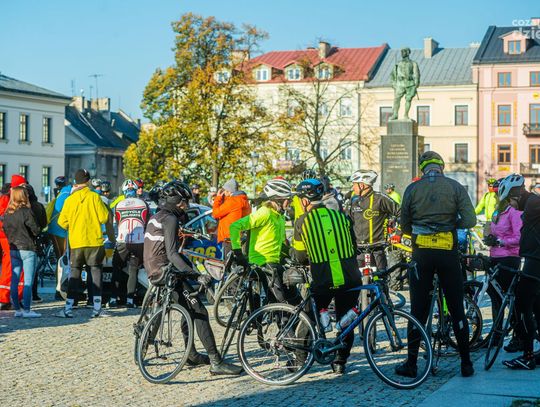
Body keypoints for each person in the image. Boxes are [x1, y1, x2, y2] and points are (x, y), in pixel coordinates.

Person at [143, 180, 242, 375]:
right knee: (199, 310)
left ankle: (191, 354)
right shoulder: (170, 219)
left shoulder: (158, 216)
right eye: (184, 202)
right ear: (175, 201)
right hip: (167, 273)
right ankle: (216, 361)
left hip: (154, 270)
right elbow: (172, 254)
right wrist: (197, 275)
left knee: (188, 307)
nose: (186, 206)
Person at [398, 151, 476, 378]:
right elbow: (470, 220)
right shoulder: (455, 187)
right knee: (456, 307)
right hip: (447, 252)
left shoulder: (412, 189)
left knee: (418, 309)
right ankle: (466, 363)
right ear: (441, 167)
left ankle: (411, 364)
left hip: (422, 253)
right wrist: (451, 223)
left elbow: (405, 225)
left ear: (422, 168)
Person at [293, 178, 361, 374]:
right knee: (346, 319)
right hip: (350, 277)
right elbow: (354, 246)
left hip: (323, 280)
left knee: (309, 316)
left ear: (304, 201)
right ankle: (340, 361)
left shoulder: (302, 222)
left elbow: (300, 256)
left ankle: (300, 360)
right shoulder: (342, 217)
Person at [230, 178, 298, 304]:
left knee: (293, 296)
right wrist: (238, 252)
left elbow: (276, 242)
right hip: (262, 262)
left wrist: (292, 252)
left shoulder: (279, 216)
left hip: (274, 261)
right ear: (278, 199)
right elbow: (234, 226)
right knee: (280, 302)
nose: (290, 202)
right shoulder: (264, 213)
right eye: (287, 199)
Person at [55, 169, 110, 318]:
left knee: (74, 274)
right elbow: (104, 218)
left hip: (77, 242)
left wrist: (73, 224)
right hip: (94, 241)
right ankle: (97, 308)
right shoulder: (95, 197)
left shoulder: (70, 200)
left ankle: (68, 308)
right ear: (88, 181)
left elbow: (62, 222)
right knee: (96, 273)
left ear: (76, 181)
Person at [501, 174, 540, 370]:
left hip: (534, 263)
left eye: (509, 200)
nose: (509, 204)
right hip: (534, 262)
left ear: (515, 195)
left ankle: (528, 356)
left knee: (521, 306)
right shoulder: (531, 204)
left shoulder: (533, 203)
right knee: (537, 308)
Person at [2, 187, 42, 317]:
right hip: (27, 248)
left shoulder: (7, 213)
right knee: (28, 281)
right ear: (24, 196)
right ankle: (27, 310)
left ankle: (17, 310)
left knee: (14, 280)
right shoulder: (26, 211)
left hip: (14, 249)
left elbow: (5, 230)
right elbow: (35, 230)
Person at [348, 169, 400, 270]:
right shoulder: (353, 200)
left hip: (377, 249)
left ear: (362, 185)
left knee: (381, 277)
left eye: (354, 184)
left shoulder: (381, 198)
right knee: (358, 279)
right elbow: (347, 222)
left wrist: (398, 233)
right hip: (359, 250)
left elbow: (401, 213)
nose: (353, 187)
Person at [110, 179, 149, 308]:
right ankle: (130, 300)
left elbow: (117, 223)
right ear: (136, 191)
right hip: (139, 240)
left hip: (123, 239)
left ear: (124, 191)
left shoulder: (118, 204)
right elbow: (147, 221)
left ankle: (113, 299)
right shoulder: (143, 203)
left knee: (117, 269)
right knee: (133, 270)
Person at [0, 175, 28, 309]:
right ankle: (8, 297)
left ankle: (10, 297)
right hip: (9, 236)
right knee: (13, 265)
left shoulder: (6, 197)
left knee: (12, 265)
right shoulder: (7, 198)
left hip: (8, 235)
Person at [212, 178, 251, 261]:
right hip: (238, 237)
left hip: (228, 238)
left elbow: (215, 214)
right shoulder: (243, 200)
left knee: (228, 263)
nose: (223, 193)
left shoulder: (233, 201)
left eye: (224, 190)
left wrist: (218, 198)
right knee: (236, 262)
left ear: (229, 191)